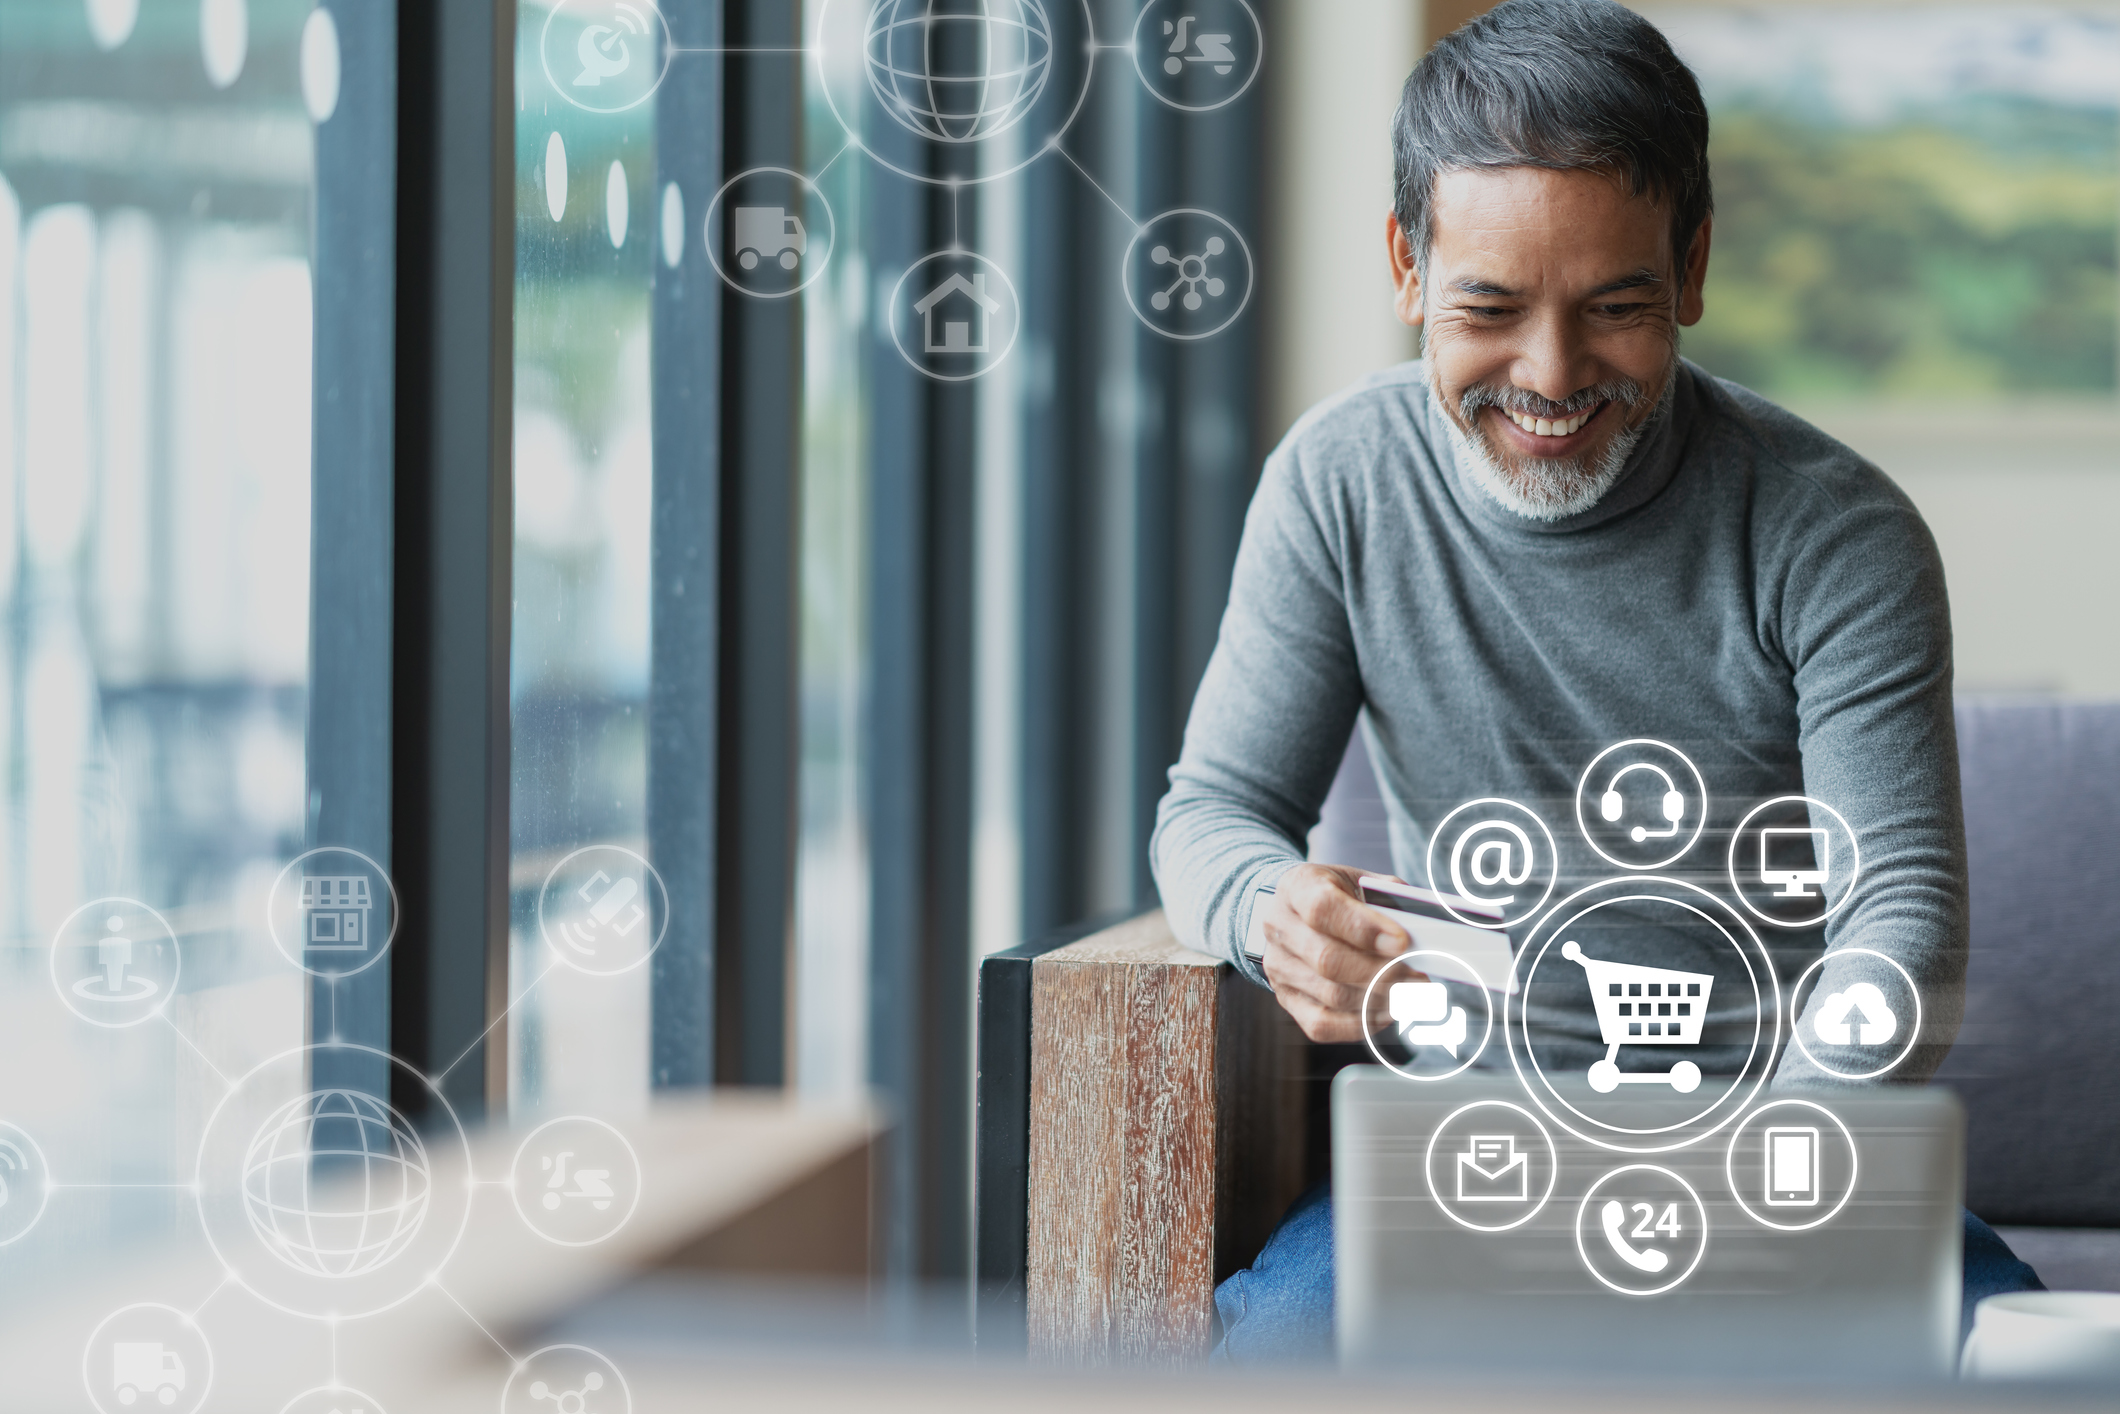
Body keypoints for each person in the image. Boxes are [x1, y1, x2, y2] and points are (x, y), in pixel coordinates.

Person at [1147, 0, 2042, 1363]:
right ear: (1407, 266)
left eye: (1615, 308)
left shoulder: (1835, 531)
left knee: (2030, 1362)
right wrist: (1273, 911)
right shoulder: (1337, 486)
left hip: (1783, 1147)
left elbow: (1900, 917)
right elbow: (1207, 811)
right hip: (1464, 1159)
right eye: (1490, 310)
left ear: (1690, 269)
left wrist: (1748, 1184)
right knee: (1265, 1360)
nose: (1551, 376)